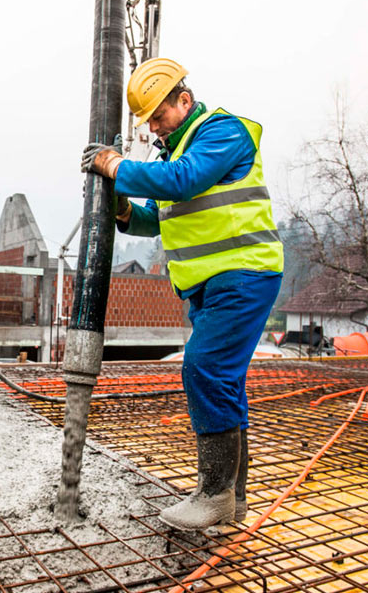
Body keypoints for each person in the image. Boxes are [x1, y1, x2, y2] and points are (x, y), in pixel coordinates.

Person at [81, 58, 284, 530]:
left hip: (243, 273)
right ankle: (231, 498)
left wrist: (115, 165)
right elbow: (158, 214)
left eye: (159, 115)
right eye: (149, 120)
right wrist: (125, 209)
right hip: (211, 284)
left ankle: (213, 495)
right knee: (223, 379)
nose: (154, 126)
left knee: (204, 367)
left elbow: (184, 181)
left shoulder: (222, 132)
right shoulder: (175, 153)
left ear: (184, 101)